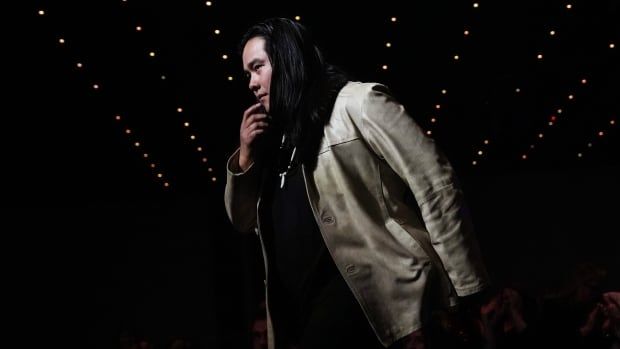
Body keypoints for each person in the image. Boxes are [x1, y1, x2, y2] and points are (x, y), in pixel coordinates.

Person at [224, 17, 490, 349]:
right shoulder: (274, 145)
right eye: (247, 73)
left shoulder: (358, 103)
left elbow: (435, 183)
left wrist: (468, 289)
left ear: (288, 58)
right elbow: (242, 219)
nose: (250, 82)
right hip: (306, 325)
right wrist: (245, 158)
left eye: (257, 67)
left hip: (389, 314)